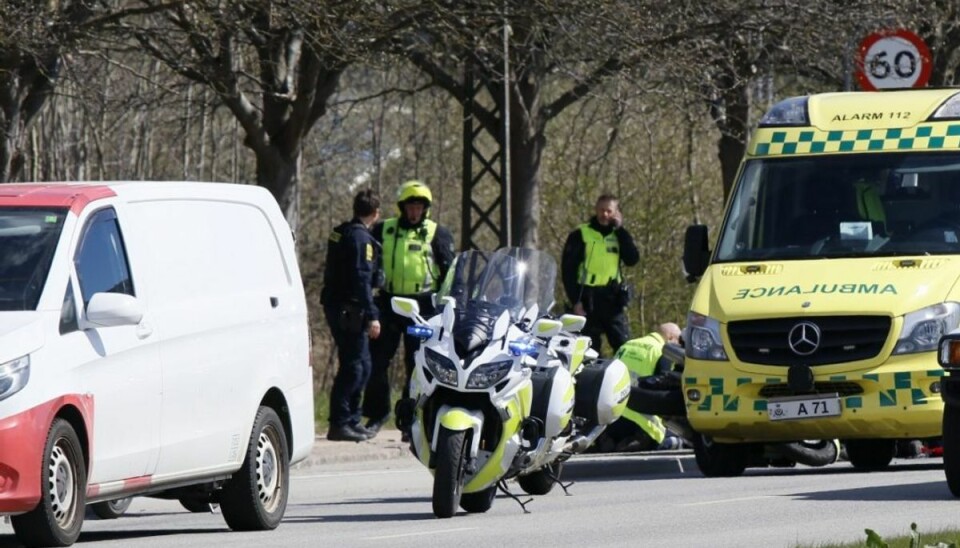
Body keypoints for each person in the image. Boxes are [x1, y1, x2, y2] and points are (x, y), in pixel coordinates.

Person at [364, 180, 455, 437]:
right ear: (402, 207)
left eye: (419, 207)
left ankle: (410, 418)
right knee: (377, 361)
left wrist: (448, 305)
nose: (414, 212)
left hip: (423, 307)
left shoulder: (438, 233)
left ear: (425, 209)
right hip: (389, 303)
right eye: (410, 207)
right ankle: (376, 414)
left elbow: (450, 273)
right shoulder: (384, 229)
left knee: (417, 364)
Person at [321, 190, 383, 442]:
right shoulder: (359, 239)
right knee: (354, 367)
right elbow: (361, 278)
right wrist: (373, 314)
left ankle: (353, 420)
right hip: (349, 308)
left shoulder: (343, 231)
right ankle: (339, 422)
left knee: (362, 364)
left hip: (343, 305)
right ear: (376, 213)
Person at [561, 193, 640, 355]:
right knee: (589, 349)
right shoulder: (581, 234)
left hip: (612, 298)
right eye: (601, 210)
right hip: (588, 298)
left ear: (616, 213)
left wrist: (620, 231)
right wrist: (575, 300)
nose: (605, 215)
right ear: (596, 210)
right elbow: (568, 271)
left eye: (609, 211)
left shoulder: (619, 235)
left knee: (624, 346)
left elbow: (632, 259)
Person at [598, 322, 682, 452]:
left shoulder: (627, 345)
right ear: (671, 337)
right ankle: (637, 441)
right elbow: (665, 384)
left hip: (613, 416)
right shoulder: (663, 350)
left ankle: (611, 439)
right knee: (675, 440)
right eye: (678, 341)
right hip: (641, 422)